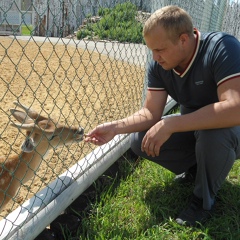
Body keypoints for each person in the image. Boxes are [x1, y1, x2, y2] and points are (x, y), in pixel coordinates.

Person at [85, 5, 240, 226]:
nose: (155, 57)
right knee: (140, 140)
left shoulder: (222, 47)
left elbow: (235, 108)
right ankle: (195, 168)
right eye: (151, 50)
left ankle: (202, 200)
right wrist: (115, 127)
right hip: (195, 130)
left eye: (160, 50)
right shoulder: (160, 66)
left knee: (213, 135)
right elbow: (150, 112)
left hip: (231, 130)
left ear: (184, 39)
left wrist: (173, 123)